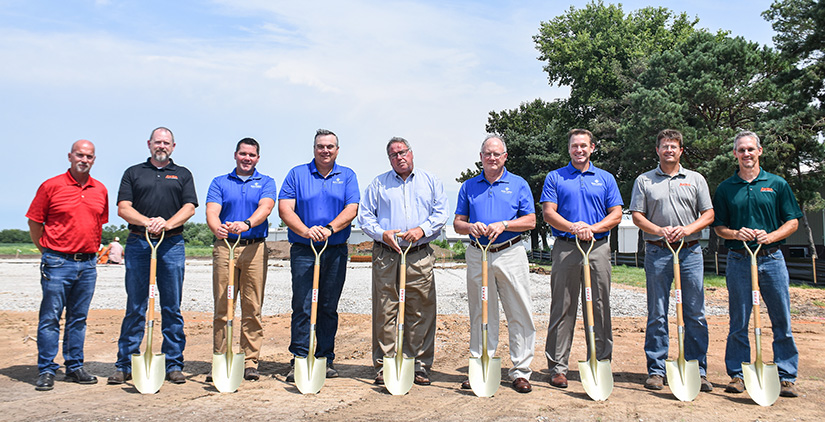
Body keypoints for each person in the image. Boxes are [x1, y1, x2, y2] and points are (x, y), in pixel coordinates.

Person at [711, 131, 803, 398]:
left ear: (759, 151)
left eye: (750, 149)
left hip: (772, 259)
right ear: (735, 154)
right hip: (740, 260)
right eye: (741, 150)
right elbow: (719, 228)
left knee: (780, 319)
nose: (746, 154)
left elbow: (793, 221)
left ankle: (786, 375)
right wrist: (735, 234)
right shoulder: (726, 188)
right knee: (738, 320)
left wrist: (771, 236)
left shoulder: (776, 184)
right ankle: (738, 374)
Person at [108, 127, 198, 385]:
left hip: (171, 245)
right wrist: (148, 222)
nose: (162, 146)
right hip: (139, 243)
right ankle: (125, 363)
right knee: (136, 305)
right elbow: (123, 208)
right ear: (149, 144)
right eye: (157, 142)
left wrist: (167, 224)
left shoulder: (182, 174)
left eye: (166, 142)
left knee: (171, 306)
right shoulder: (133, 173)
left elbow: (190, 207)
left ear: (173, 146)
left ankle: (173, 363)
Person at [358, 136, 449, 386]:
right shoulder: (379, 184)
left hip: (419, 255)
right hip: (387, 256)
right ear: (389, 159)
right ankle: (384, 364)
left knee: (421, 310)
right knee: (385, 310)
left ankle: (419, 365)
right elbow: (364, 216)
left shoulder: (430, 181)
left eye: (403, 152)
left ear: (411, 153)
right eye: (393, 154)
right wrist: (382, 234)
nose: (399, 157)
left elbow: (441, 213)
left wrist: (422, 229)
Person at [629, 129, 714, 392]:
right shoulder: (645, 180)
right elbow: (637, 216)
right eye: (664, 146)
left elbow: (708, 213)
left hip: (689, 252)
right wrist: (659, 230)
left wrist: (688, 229)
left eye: (674, 147)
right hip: (657, 251)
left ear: (681, 151)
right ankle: (656, 370)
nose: (669, 150)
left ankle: (697, 369)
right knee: (657, 312)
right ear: (657, 150)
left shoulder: (695, 179)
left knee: (695, 312)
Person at [540, 128, 623, 389]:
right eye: (574, 146)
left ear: (592, 148)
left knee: (599, 305)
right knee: (562, 306)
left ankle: (600, 361)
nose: (579, 150)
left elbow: (617, 214)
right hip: (566, 247)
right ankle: (557, 367)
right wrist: (574, 227)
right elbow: (548, 213)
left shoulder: (606, 178)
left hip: (597, 247)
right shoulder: (555, 177)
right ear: (569, 149)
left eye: (584, 146)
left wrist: (593, 228)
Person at [453, 135, 536, 393]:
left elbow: (531, 221)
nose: (492, 158)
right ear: (481, 157)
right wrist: (470, 226)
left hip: (510, 252)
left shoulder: (519, 184)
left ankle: (521, 371)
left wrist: (506, 224)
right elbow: (457, 223)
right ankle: (481, 366)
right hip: (479, 253)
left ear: (505, 157)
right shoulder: (469, 186)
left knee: (519, 311)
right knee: (481, 312)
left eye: (497, 154)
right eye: (487, 154)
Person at [26, 140, 108, 391]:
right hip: (57, 262)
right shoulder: (51, 186)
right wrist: (48, 251)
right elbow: (34, 223)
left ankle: (74, 366)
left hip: (87, 264)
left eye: (89, 156)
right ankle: (47, 369)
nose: (84, 160)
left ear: (94, 160)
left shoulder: (100, 189)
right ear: (70, 156)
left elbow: (99, 223)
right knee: (50, 317)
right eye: (80, 155)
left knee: (78, 318)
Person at [278, 129, 359, 381]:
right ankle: (299, 357)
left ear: (337, 150)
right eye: (321, 146)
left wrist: (329, 229)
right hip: (304, 250)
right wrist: (306, 231)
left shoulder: (347, 175)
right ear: (314, 149)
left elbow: (352, 207)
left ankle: (325, 358)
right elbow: (285, 208)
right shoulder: (297, 174)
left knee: (327, 307)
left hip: (334, 250)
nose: (325, 150)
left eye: (330, 146)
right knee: (302, 305)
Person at [206, 137, 276, 381]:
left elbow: (266, 208)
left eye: (252, 155)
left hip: (254, 248)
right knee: (223, 306)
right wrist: (218, 228)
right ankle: (221, 357)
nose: (247, 158)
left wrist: (246, 224)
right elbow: (212, 212)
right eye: (243, 154)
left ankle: (250, 361)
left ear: (258, 158)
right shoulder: (220, 182)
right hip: (225, 248)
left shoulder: (266, 182)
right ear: (236, 155)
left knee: (252, 306)